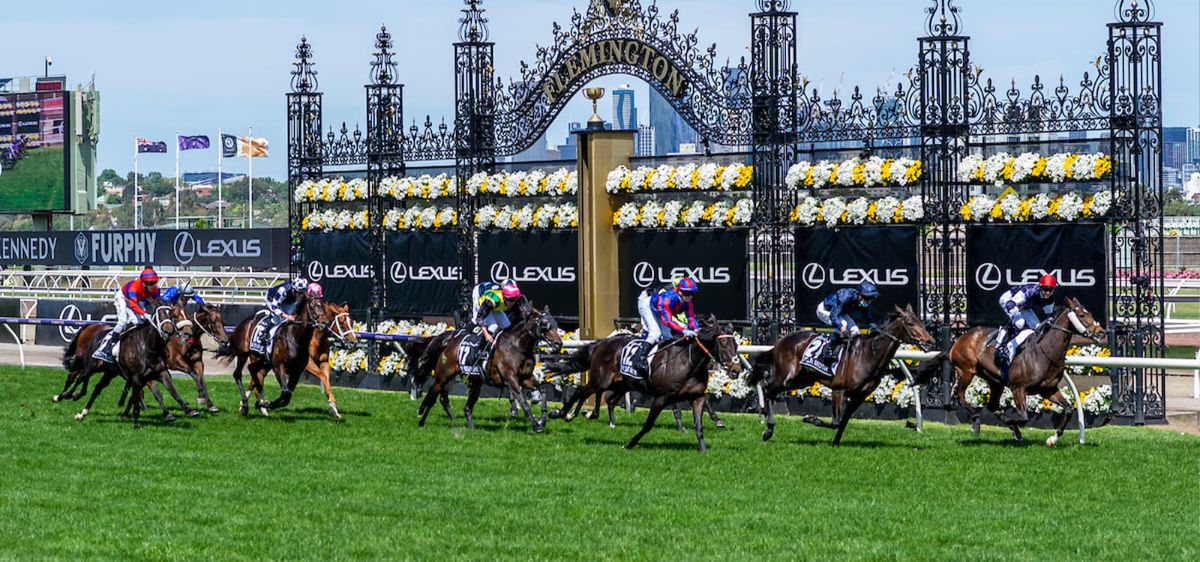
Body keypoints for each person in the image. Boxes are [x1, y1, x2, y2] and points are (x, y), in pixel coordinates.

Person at [631, 276, 699, 373]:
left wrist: (696, 329)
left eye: (692, 293)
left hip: (659, 311)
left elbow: (691, 317)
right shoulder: (668, 299)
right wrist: (683, 330)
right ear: (679, 291)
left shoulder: (688, 302)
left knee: (668, 337)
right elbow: (667, 321)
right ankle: (639, 358)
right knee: (655, 333)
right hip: (648, 307)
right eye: (687, 293)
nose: (689, 296)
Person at [93, 266, 161, 363]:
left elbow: (158, 302)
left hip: (137, 300)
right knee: (123, 321)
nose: (153, 285)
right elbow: (133, 305)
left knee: (140, 322)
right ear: (143, 283)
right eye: (150, 283)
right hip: (123, 298)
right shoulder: (134, 288)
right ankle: (106, 347)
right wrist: (144, 313)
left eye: (154, 282)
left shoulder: (155, 289)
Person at [994, 274, 1057, 366]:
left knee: (1037, 327)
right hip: (1008, 300)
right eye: (1045, 289)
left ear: (1054, 290)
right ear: (1040, 287)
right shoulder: (1031, 291)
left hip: (1024, 306)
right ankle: (1002, 343)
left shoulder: (1050, 299)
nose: (1047, 292)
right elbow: (1010, 304)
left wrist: (1050, 321)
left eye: (1050, 290)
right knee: (1020, 323)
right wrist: (1014, 314)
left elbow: (1049, 314)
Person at [815, 280, 879, 366]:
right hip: (824, 311)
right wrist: (842, 329)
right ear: (860, 295)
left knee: (855, 330)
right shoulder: (845, 297)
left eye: (871, 298)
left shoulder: (863, 301)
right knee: (843, 325)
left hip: (840, 313)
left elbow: (868, 318)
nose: (869, 301)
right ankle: (828, 350)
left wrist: (874, 328)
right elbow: (834, 316)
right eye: (868, 298)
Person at [253, 277, 320, 352]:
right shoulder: (283, 290)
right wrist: (287, 316)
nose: (302, 295)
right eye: (300, 292)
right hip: (272, 300)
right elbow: (274, 307)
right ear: (294, 290)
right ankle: (264, 333)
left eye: (303, 292)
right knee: (277, 319)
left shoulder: (300, 292)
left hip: (288, 301)